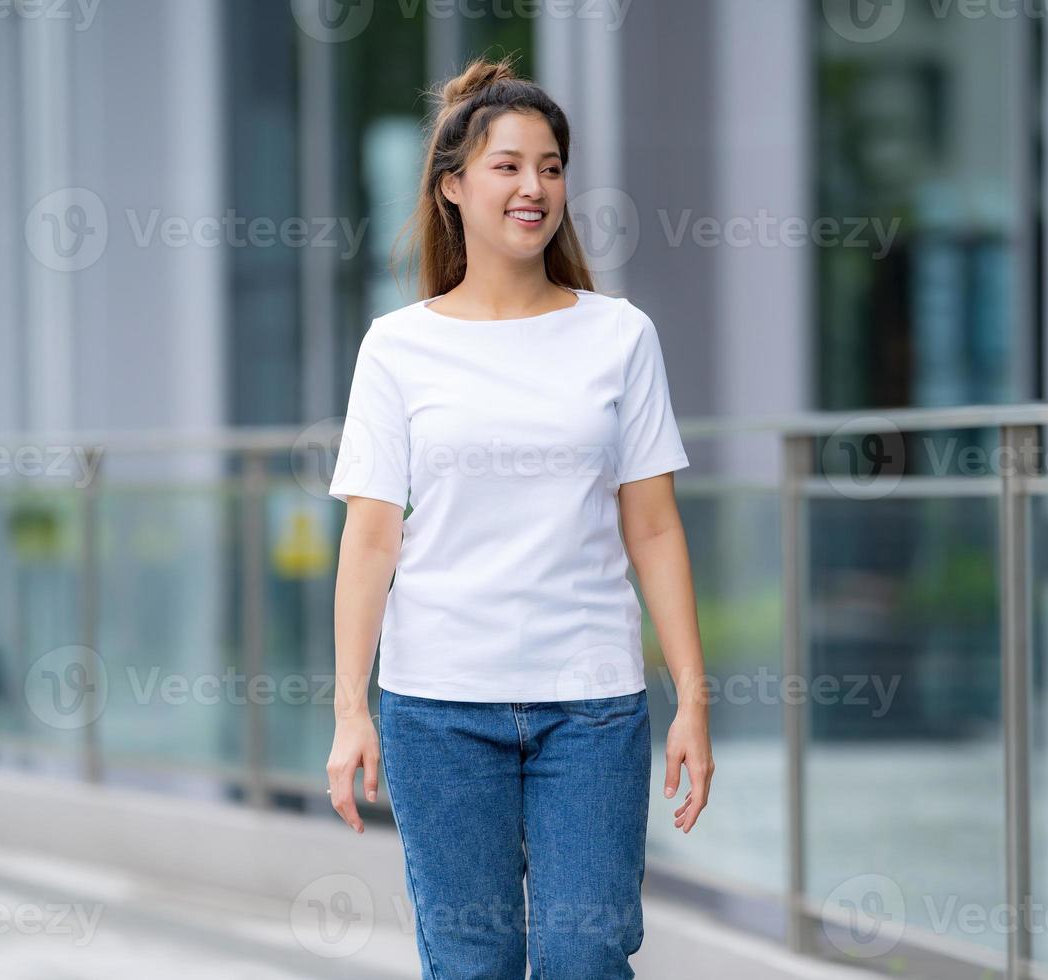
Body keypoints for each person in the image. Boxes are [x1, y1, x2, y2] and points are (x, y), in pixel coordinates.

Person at [325, 53, 714, 978]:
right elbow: (370, 538)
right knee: (471, 961)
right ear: (453, 187)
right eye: (507, 166)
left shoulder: (619, 334)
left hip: (590, 704)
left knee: (586, 956)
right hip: (437, 709)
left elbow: (653, 527)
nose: (533, 187)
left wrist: (693, 700)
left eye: (549, 165)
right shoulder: (398, 348)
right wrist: (351, 710)